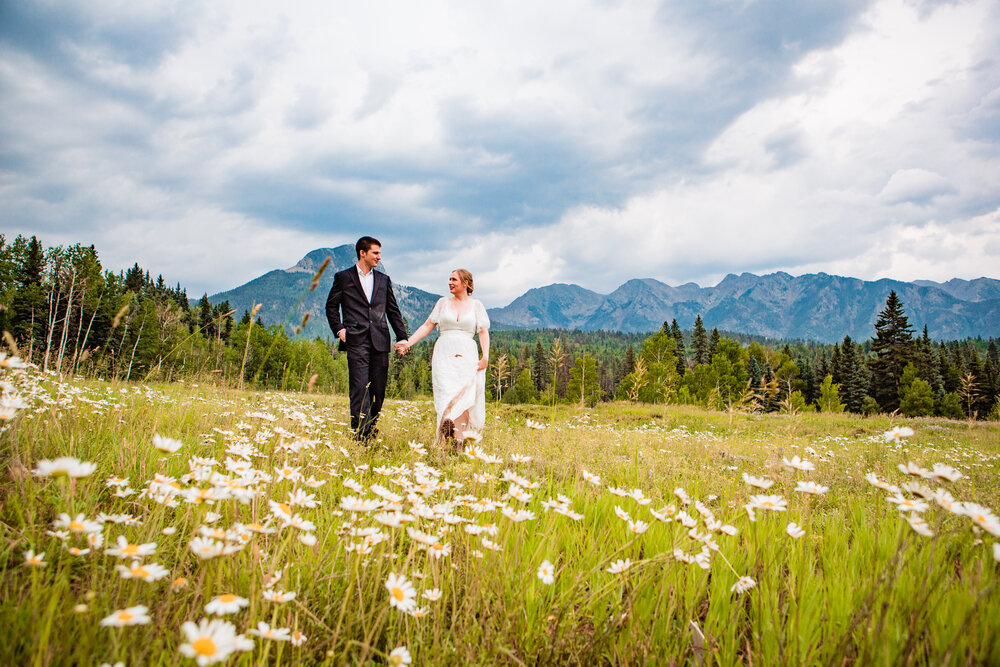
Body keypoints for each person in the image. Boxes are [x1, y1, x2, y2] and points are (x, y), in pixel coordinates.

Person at [325, 236, 409, 442]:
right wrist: (340, 330)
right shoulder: (343, 278)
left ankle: (370, 429)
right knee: (359, 388)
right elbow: (331, 307)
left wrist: (402, 337)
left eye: (379, 253)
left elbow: (393, 311)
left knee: (378, 391)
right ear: (363, 253)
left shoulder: (383, 280)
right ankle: (360, 435)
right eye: (375, 253)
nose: (379, 257)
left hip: (380, 341)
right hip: (355, 340)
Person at [398, 269, 490, 447]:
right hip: (444, 353)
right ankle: (447, 428)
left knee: (464, 393)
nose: (450, 282)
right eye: (449, 279)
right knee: (446, 392)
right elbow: (427, 325)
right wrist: (408, 343)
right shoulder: (442, 303)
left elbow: (483, 331)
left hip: (467, 353)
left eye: (454, 279)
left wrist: (485, 356)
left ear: (466, 283)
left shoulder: (477, 305)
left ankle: (459, 440)